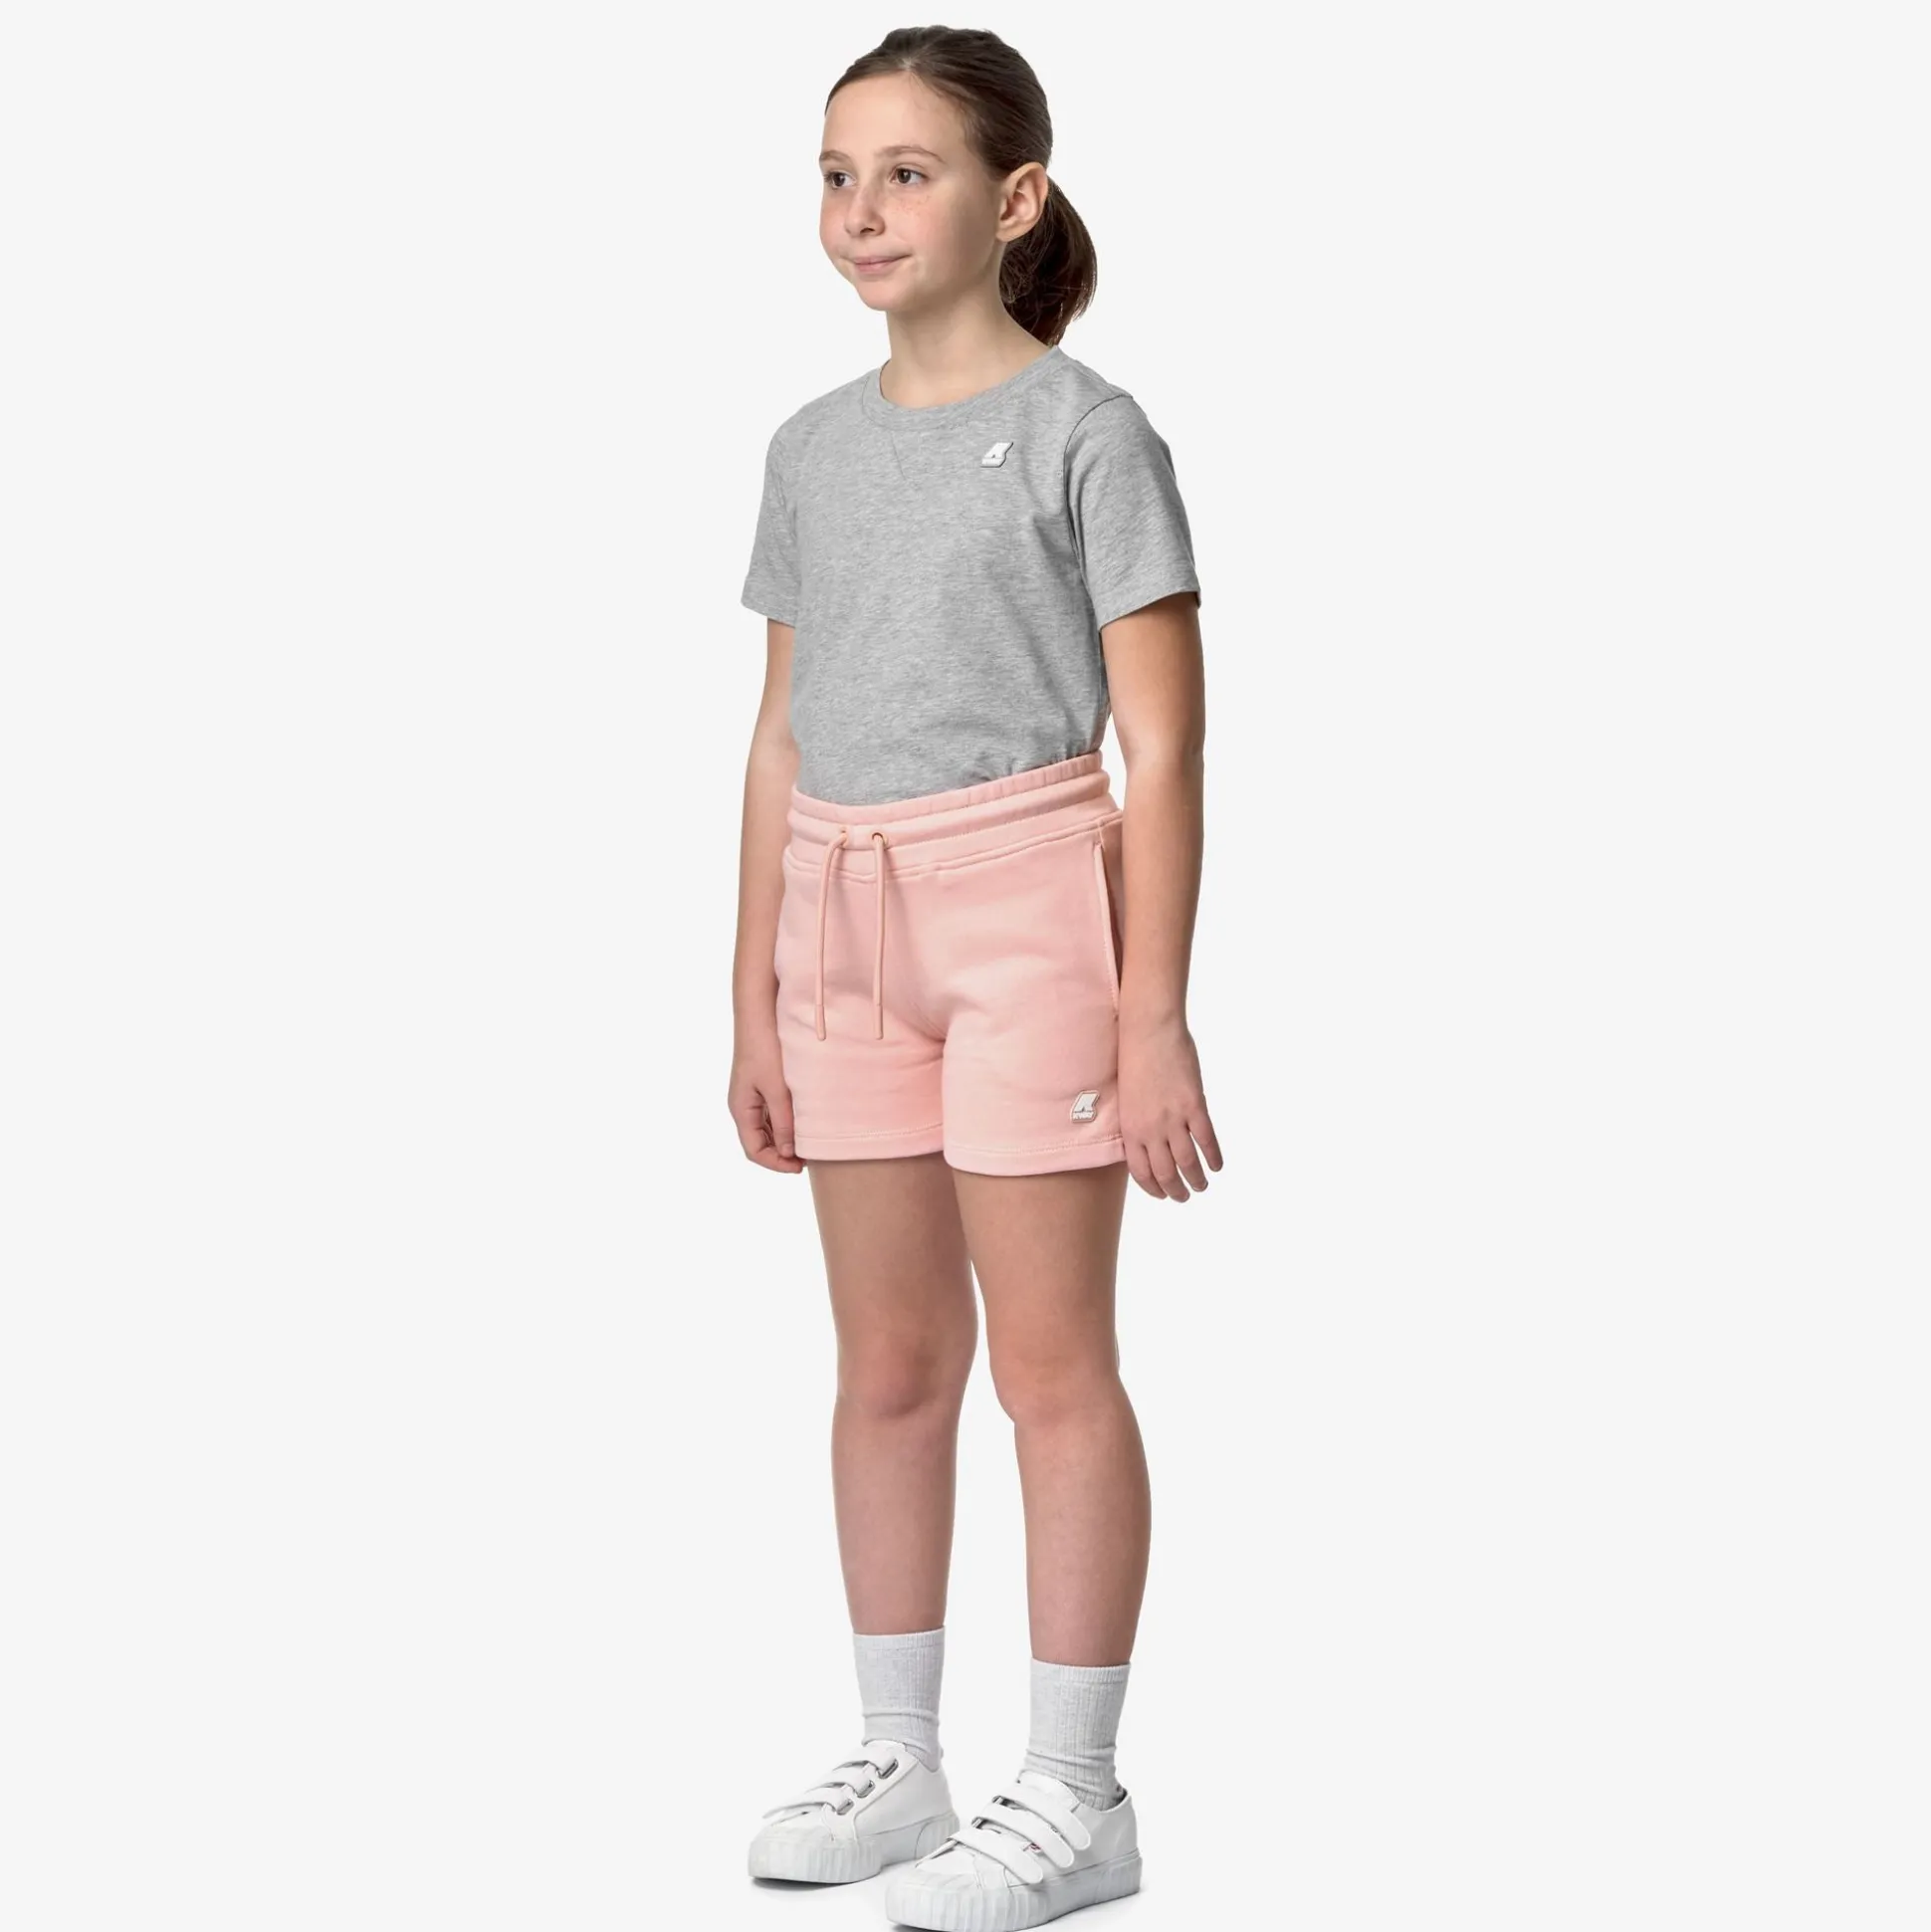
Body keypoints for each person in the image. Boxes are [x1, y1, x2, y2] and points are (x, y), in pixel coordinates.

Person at [729, 26, 1221, 1928]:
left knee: (1052, 1368)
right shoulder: (809, 448)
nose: (863, 210)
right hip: (841, 922)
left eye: (908, 172)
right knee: (887, 1368)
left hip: (1030, 911)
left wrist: (1153, 1013)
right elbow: (779, 734)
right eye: (837, 174)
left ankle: (1079, 1793)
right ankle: (900, 1753)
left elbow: (1165, 745)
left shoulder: (1094, 433)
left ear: (1014, 200)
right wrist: (751, 994)